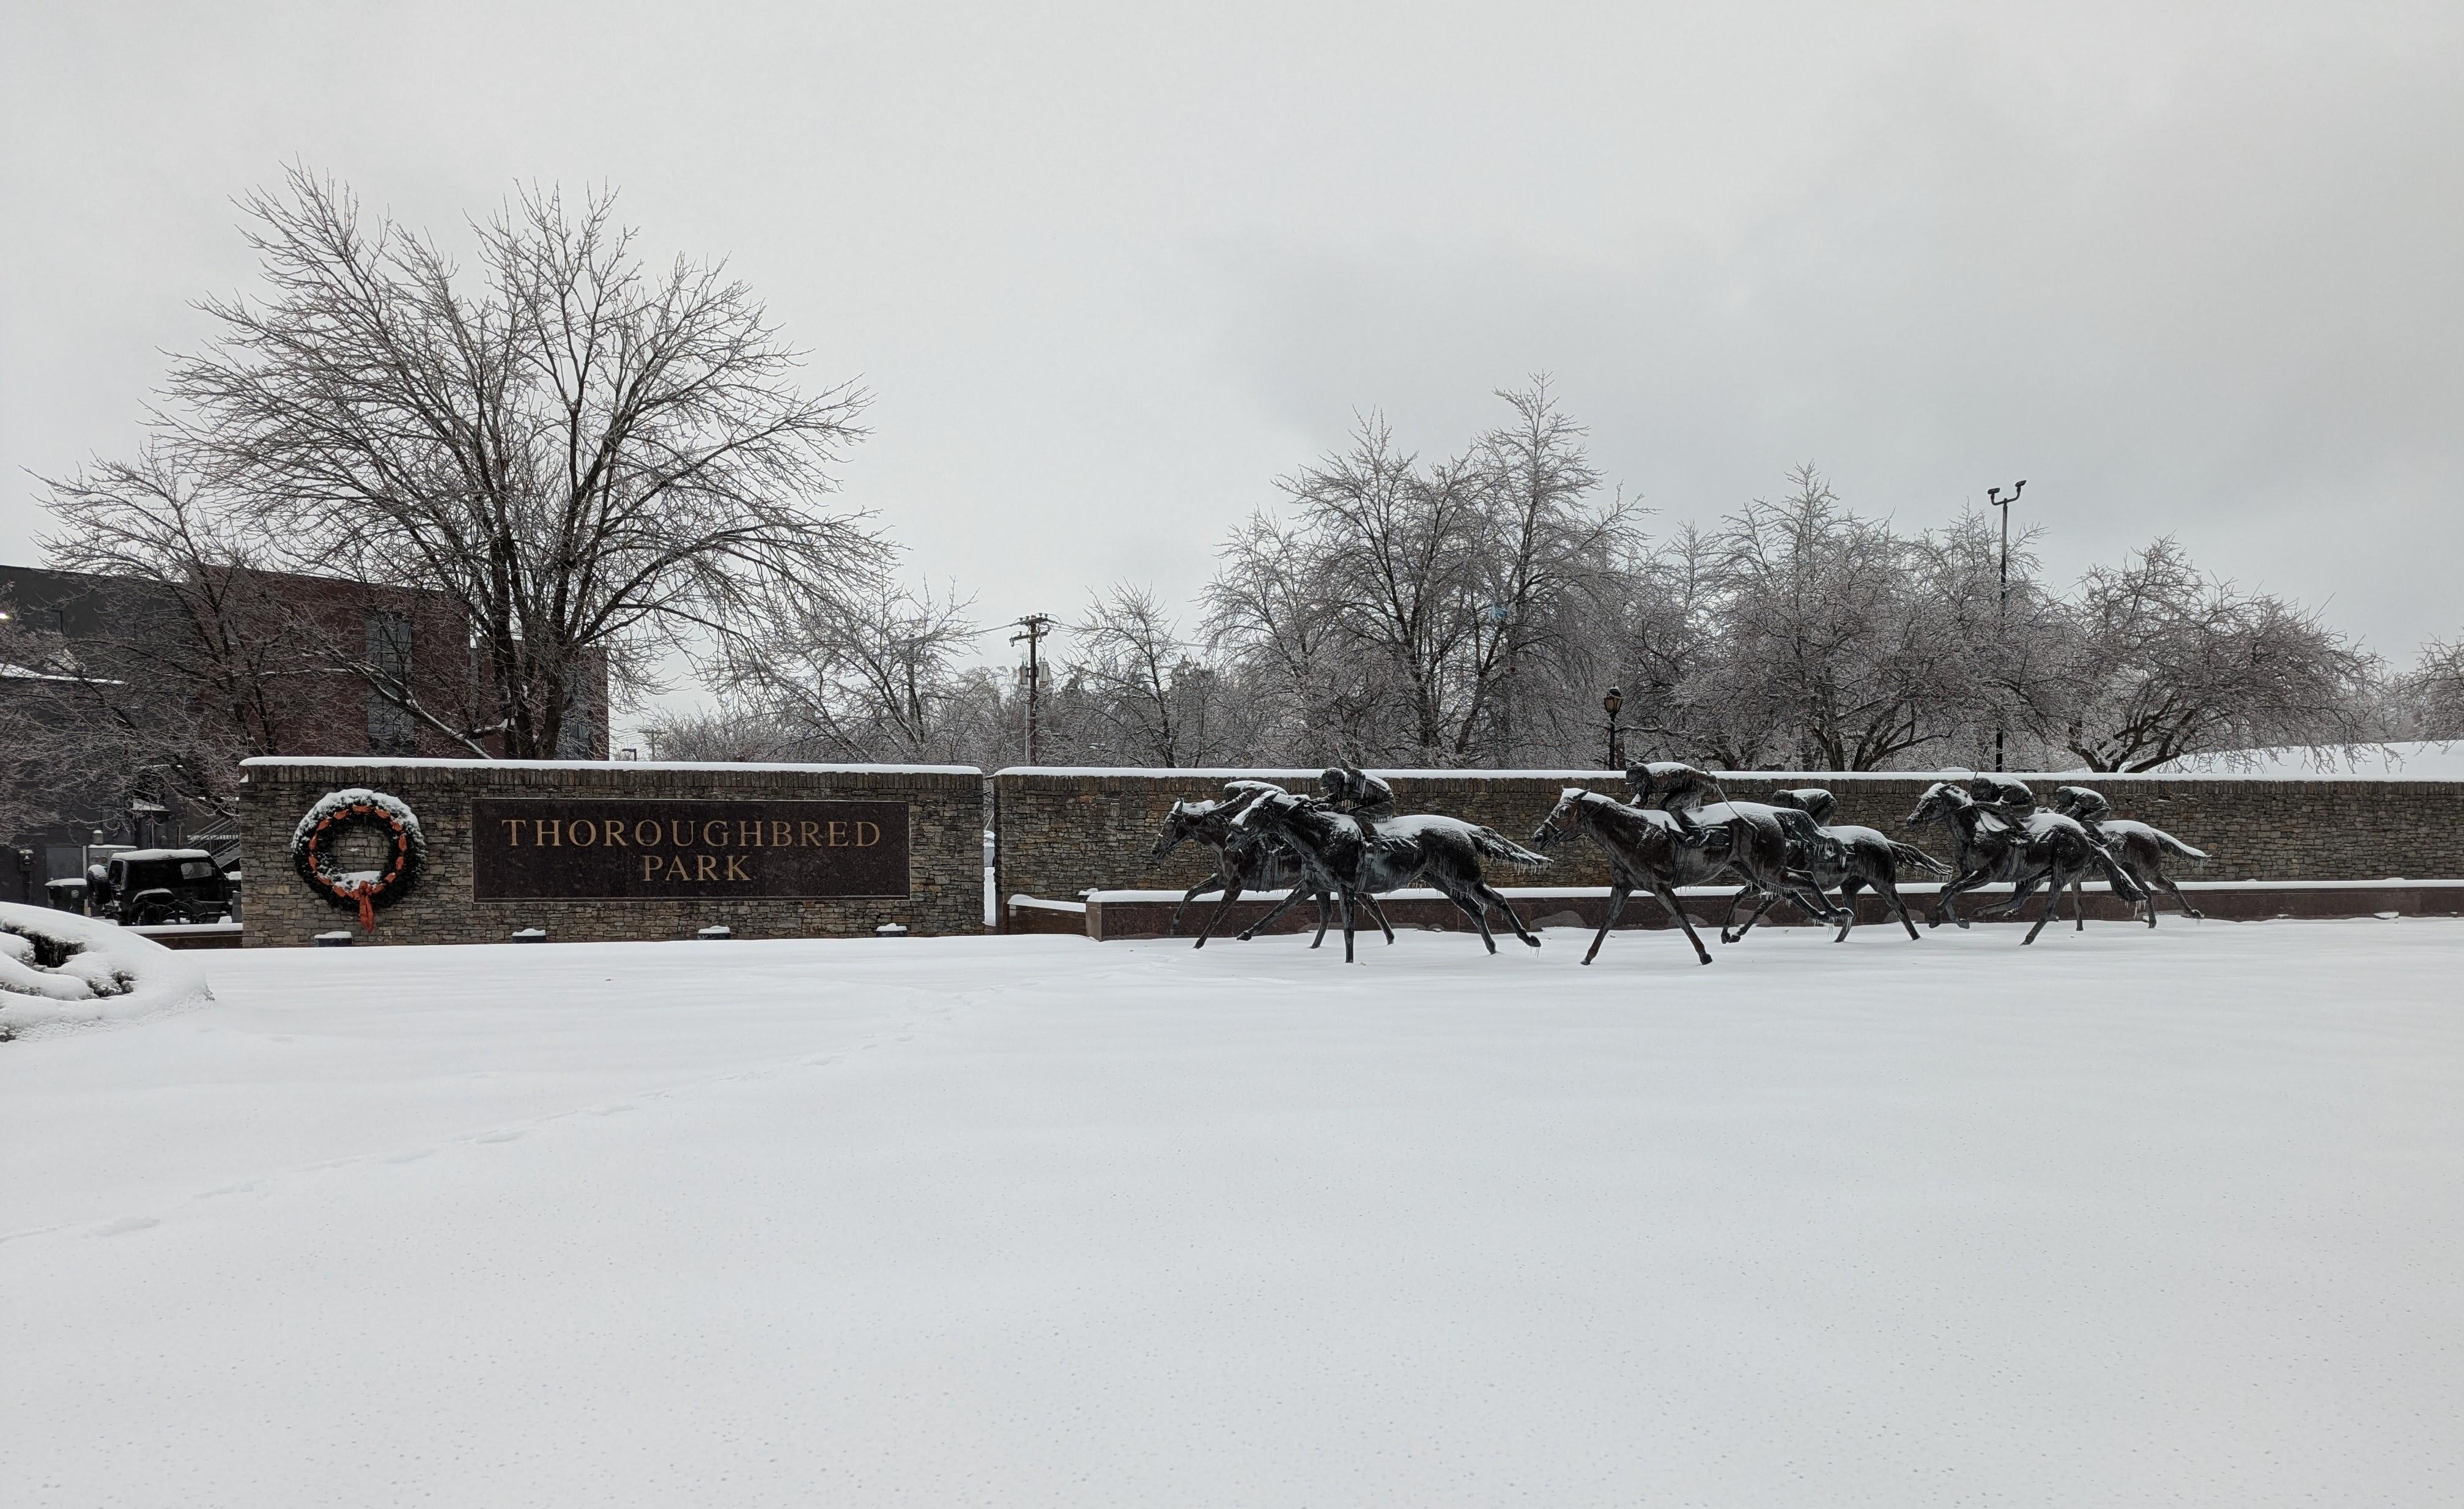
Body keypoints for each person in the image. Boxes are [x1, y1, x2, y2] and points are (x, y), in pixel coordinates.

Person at [1626, 760, 1728, 840]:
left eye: (1636, 784)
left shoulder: (1663, 776)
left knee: (1672, 807)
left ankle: (1696, 831)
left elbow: (1690, 773)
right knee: (1662, 808)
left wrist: (1707, 777)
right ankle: (1674, 833)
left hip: (1696, 785)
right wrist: (1627, 810)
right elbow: (1640, 801)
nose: (1635, 787)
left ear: (1644, 779)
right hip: (1680, 787)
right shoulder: (1645, 785)